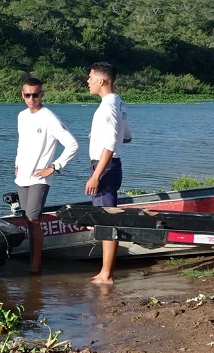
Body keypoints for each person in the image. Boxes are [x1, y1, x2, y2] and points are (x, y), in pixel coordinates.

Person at [15, 77, 79, 273]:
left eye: (36, 94)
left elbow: (73, 144)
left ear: (42, 94)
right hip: (22, 176)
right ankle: (34, 261)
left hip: (40, 178)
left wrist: (54, 166)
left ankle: (35, 267)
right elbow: (22, 143)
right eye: (28, 95)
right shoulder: (22, 116)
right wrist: (16, 163)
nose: (32, 98)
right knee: (27, 219)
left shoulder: (49, 118)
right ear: (23, 95)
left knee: (33, 220)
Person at [85, 62, 133, 284]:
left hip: (106, 167)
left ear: (102, 80)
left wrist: (96, 175)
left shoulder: (107, 106)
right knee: (106, 218)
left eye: (91, 77)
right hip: (112, 166)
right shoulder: (118, 102)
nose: (88, 81)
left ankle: (107, 274)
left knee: (106, 220)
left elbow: (111, 144)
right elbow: (127, 136)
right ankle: (105, 272)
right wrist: (97, 135)